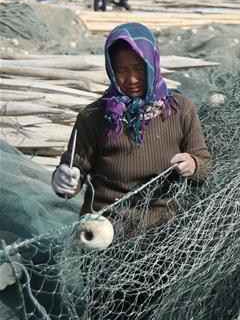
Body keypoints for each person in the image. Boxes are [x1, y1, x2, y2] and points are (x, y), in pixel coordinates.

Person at [51, 22, 213, 230]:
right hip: (106, 231)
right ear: (111, 70)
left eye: (139, 68)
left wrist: (194, 165)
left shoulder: (180, 109)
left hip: (167, 230)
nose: (132, 79)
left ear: (152, 64)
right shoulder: (93, 117)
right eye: (122, 70)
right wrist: (63, 181)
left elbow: (205, 166)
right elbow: (74, 173)